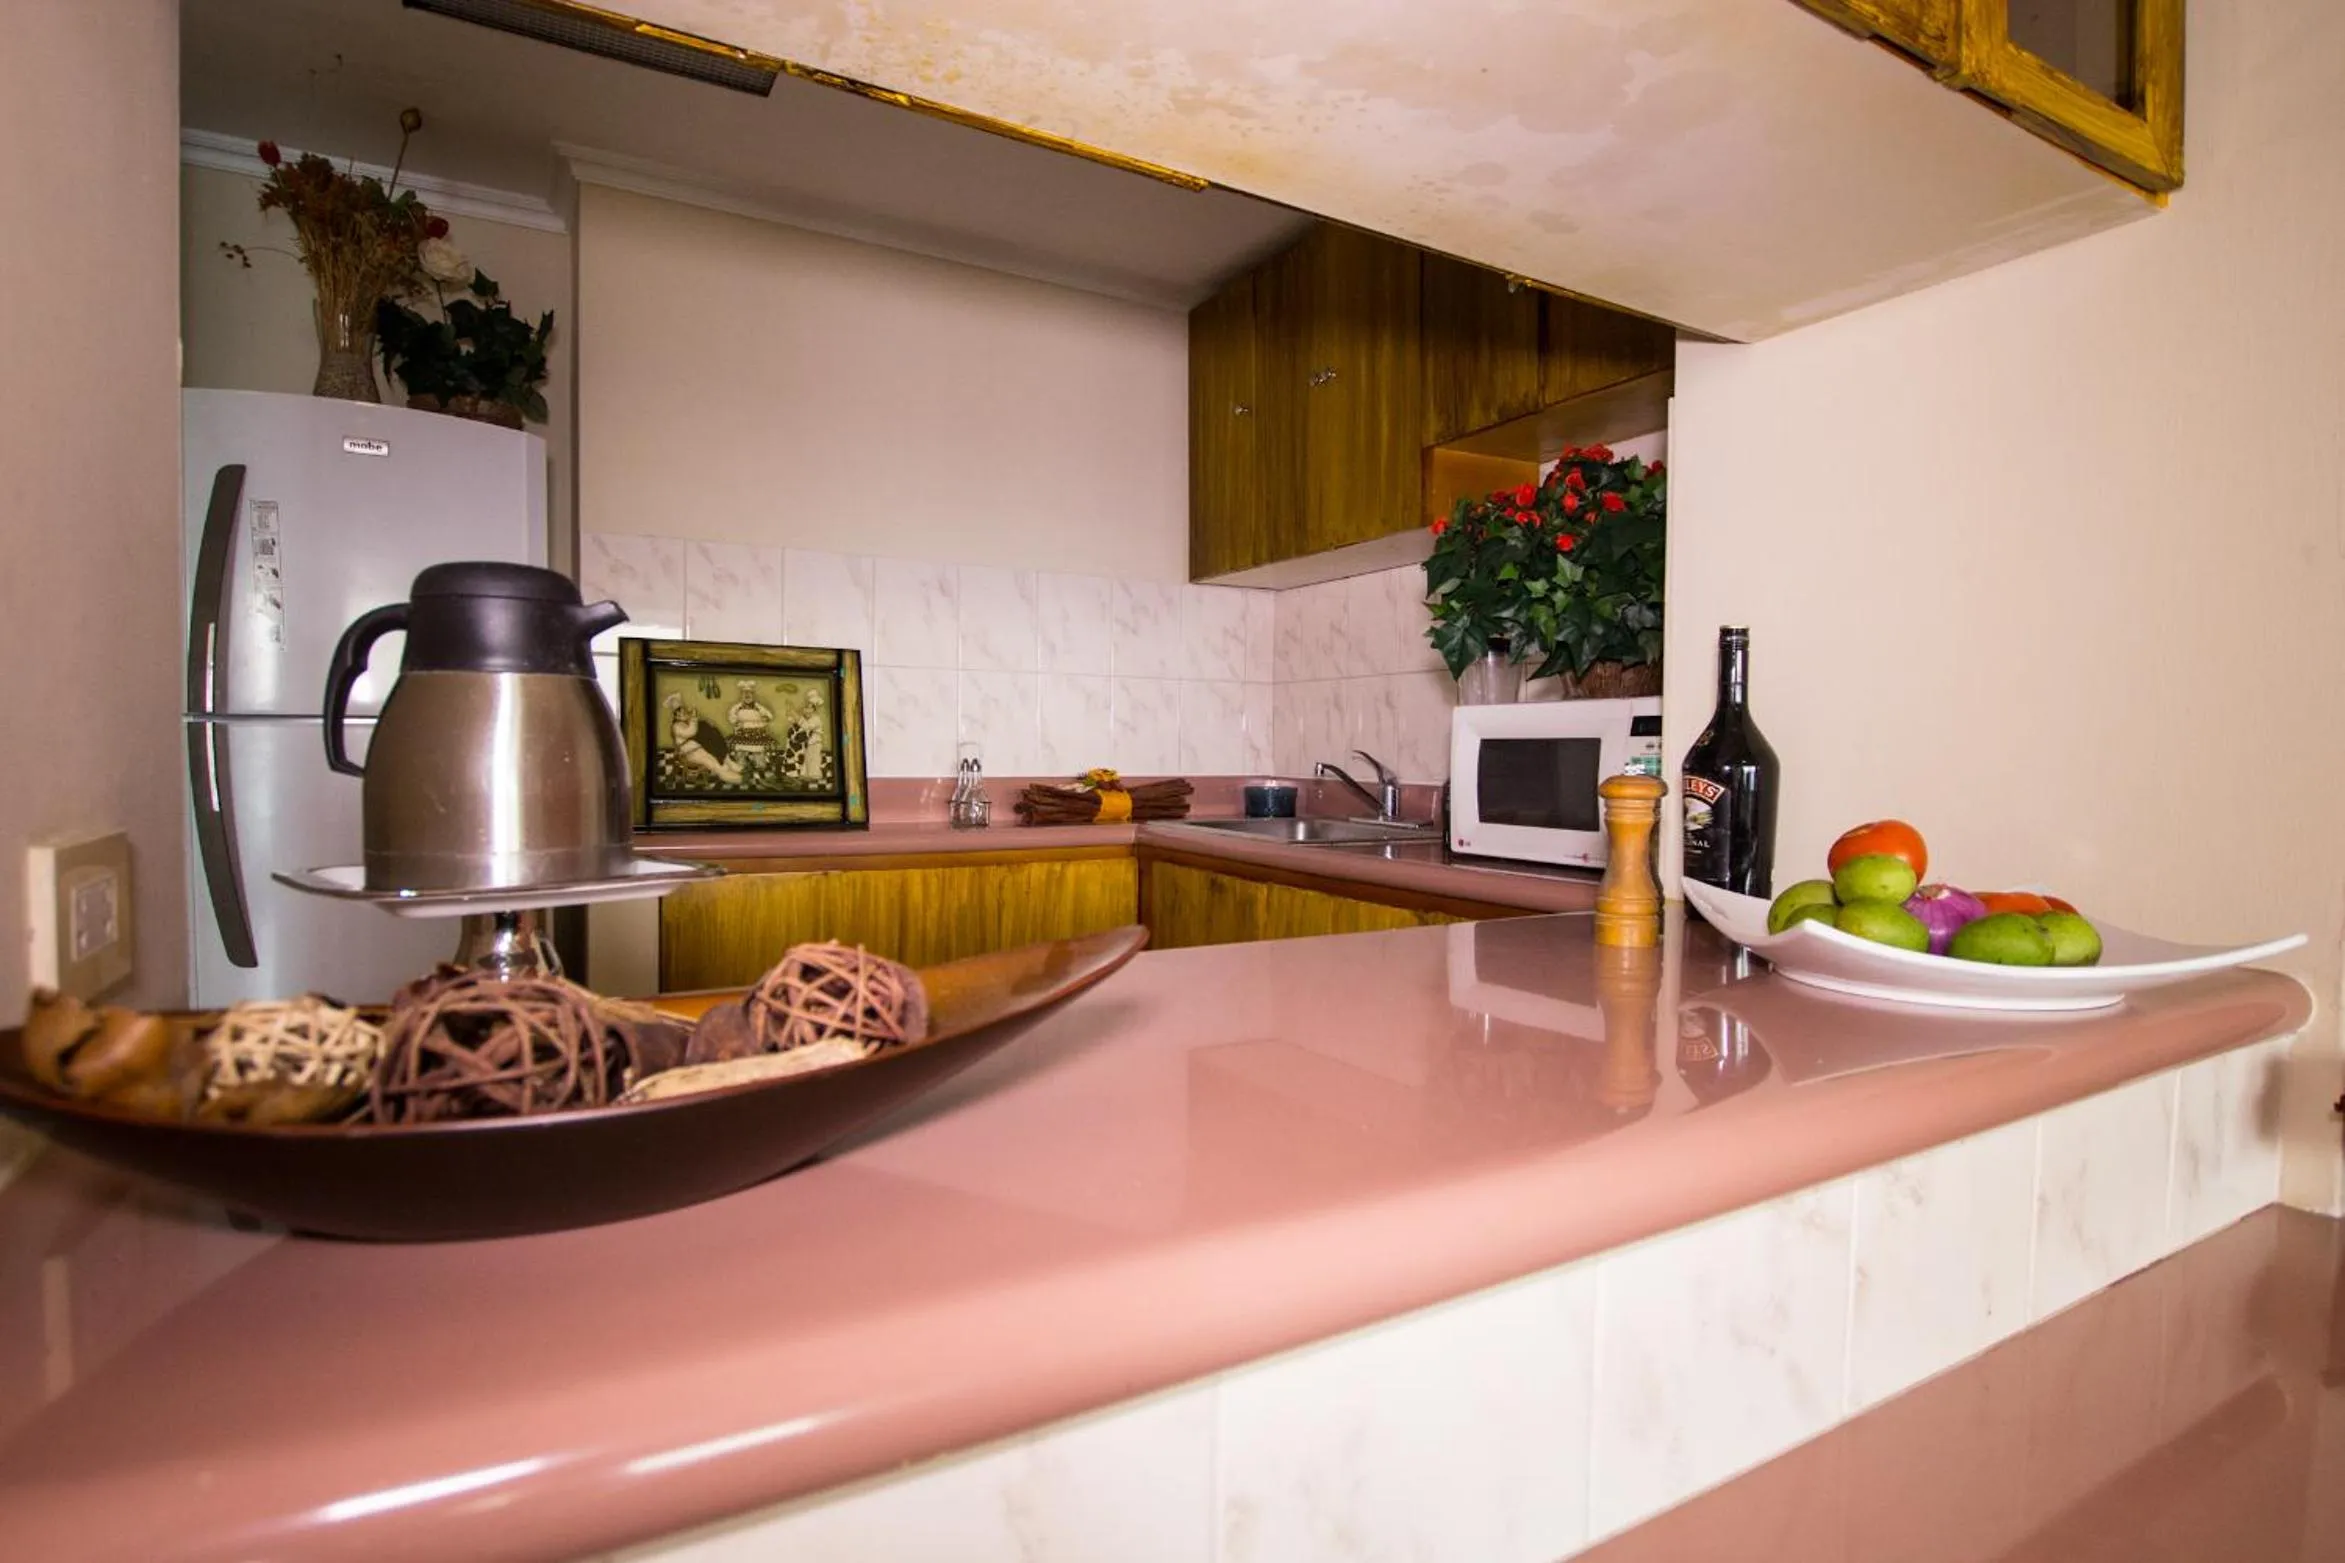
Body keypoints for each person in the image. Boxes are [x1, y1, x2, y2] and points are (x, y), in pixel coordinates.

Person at [664, 692, 743, 784]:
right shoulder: (676, 726)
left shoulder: (685, 721)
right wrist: (694, 718)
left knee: (707, 728)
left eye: (683, 712)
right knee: (715, 765)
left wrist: (707, 722)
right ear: (675, 716)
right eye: (679, 714)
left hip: (697, 748)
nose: (683, 715)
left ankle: (727, 760)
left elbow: (697, 725)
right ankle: (738, 779)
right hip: (689, 753)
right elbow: (691, 732)